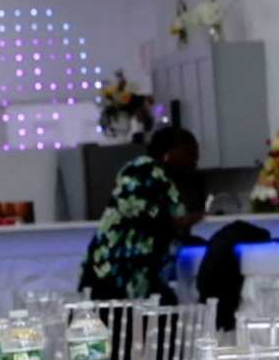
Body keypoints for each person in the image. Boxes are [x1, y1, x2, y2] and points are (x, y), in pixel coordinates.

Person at [79, 121, 201, 304]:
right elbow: (137, 210)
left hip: (140, 273)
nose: (195, 159)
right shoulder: (142, 169)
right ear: (170, 152)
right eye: (189, 152)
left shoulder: (168, 179)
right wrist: (181, 221)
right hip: (116, 271)